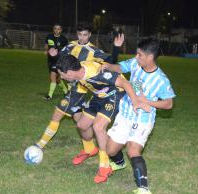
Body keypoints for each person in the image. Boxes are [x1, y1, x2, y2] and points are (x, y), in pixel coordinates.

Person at [35, 24, 124, 167]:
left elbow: (110, 62)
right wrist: (54, 54)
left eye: (85, 35)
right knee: (80, 122)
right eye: (80, 34)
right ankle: (89, 149)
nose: (82, 37)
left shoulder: (94, 51)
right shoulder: (70, 46)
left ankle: (39, 145)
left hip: (80, 90)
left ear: (89, 35)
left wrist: (116, 48)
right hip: (75, 86)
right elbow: (61, 59)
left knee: (58, 113)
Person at [100, 38, 175, 194]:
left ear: (150, 57)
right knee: (110, 150)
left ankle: (144, 189)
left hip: (143, 119)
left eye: (140, 54)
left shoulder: (161, 79)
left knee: (133, 150)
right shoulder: (135, 63)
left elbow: (169, 104)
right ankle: (119, 163)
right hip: (125, 113)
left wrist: (145, 101)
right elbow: (120, 67)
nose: (136, 56)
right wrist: (108, 66)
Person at [57, 55, 150, 184]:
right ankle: (89, 149)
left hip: (114, 95)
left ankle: (104, 166)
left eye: (62, 74)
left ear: (71, 72)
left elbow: (125, 83)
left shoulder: (98, 73)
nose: (61, 77)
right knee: (82, 125)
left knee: (98, 127)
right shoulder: (80, 69)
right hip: (98, 96)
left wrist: (135, 102)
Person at [44, 24, 69, 100]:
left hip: (59, 60)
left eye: (58, 29)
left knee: (53, 76)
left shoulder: (63, 39)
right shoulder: (49, 36)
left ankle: (49, 95)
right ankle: (66, 91)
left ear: (61, 30)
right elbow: (46, 45)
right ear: (53, 29)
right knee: (57, 79)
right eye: (55, 28)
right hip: (50, 60)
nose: (57, 30)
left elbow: (67, 50)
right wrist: (46, 50)